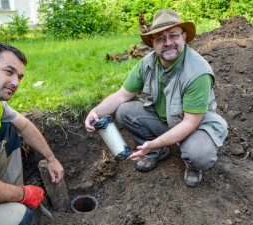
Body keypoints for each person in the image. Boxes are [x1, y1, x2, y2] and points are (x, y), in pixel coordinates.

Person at [85, 9, 228, 187]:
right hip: (164, 120)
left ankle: (192, 166)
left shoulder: (197, 72)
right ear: (152, 43)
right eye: (160, 38)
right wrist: (95, 112)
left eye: (173, 35)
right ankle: (157, 153)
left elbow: (189, 124)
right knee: (124, 111)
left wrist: (153, 143)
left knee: (200, 154)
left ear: (184, 36)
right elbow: (122, 95)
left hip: (194, 126)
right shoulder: (147, 63)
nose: (168, 42)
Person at [0, 43, 64, 224]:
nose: (15, 83)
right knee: (19, 217)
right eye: (9, 72)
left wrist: (51, 158)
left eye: (19, 77)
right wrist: (24, 193)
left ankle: (8, 195)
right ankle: (13, 204)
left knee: (8, 128)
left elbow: (24, 125)